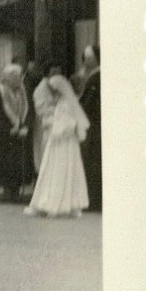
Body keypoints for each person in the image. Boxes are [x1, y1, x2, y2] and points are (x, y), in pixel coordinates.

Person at [25, 74, 90, 217]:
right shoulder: (66, 103)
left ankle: (56, 204)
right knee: (56, 170)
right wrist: (52, 123)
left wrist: (52, 126)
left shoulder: (66, 104)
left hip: (62, 142)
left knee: (59, 171)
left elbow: (68, 124)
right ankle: (50, 203)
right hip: (60, 142)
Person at [0, 63, 34, 204]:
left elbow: (30, 111)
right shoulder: (0, 92)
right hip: (6, 135)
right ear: (7, 78)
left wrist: (25, 126)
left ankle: (16, 193)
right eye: (15, 76)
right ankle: (7, 193)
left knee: (20, 163)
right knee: (7, 163)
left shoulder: (24, 91)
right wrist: (10, 129)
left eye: (19, 76)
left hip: (22, 133)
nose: (18, 79)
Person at [77, 45, 102, 212]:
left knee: (92, 163)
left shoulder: (96, 77)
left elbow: (88, 104)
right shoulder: (92, 76)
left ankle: (93, 200)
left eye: (88, 58)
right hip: (93, 125)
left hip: (94, 126)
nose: (85, 62)